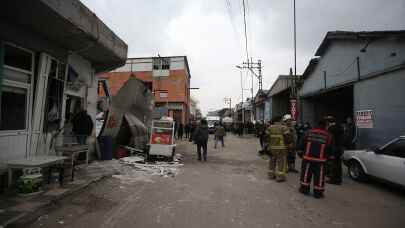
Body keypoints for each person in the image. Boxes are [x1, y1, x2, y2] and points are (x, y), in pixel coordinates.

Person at [298, 119, 333, 198]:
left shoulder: (308, 132)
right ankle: (318, 193)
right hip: (321, 160)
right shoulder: (328, 135)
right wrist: (329, 157)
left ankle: (304, 189)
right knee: (319, 176)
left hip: (308, 158)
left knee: (306, 174)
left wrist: (300, 152)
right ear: (325, 126)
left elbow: (302, 142)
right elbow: (330, 147)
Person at [267, 115, 293, 182]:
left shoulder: (270, 128)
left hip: (272, 148)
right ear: (280, 120)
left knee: (272, 162)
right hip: (281, 148)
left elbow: (266, 137)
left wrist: (267, 146)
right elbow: (288, 137)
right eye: (282, 119)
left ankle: (271, 175)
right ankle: (280, 177)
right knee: (281, 162)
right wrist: (290, 144)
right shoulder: (284, 128)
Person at [325, 116, 344, 185]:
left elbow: (329, 140)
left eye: (327, 121)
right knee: (338, 164)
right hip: (340, 148)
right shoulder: (340, 127)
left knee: (333, 164)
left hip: (333, 149)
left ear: (328, 122)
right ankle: (338, 178)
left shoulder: (331, 129)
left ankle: (334, 180)